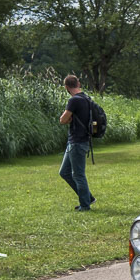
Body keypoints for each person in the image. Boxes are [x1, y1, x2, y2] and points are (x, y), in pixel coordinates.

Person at [58, 74, 95, 211]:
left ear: (67, 87)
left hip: (77, 141)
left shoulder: (74, 101)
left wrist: (69, 119)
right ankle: (88, 197)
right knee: (64, 172)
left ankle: (85, 205)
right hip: (81, 140)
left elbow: (62, 120)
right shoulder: (86, 98)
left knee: (78, 174)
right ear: (78, 83)